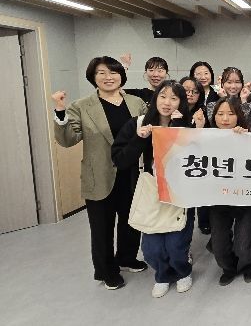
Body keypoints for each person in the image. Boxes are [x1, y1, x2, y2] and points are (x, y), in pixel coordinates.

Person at [51, 56, 147, 290]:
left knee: (131, 221)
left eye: (113, 72)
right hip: (99, 175)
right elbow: (68, 139)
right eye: (101, 73)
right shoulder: (82, 106)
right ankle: (106, 271)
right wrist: (60, 111)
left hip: (132, 173)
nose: (108, 77)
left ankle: (126, 258)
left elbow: (150, 132)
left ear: (121, 75)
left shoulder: (136, 103)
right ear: (93, 78)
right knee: (102, 227)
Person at [111, 80, 195, 298]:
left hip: (179, 194)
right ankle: (162, 275)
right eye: (163, 96)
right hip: (151, 192)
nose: (167, 103)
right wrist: (139, 139)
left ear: (181, 102)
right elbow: (120, 159)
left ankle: (182, 271)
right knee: (152, 248)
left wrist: (179, 128)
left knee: (177, 244)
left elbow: (196, 158)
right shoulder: (138, 124)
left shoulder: (188, 125)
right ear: (155, 98)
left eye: (174, 98)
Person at [207, 96, 251, 286]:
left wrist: (245, 139)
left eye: (230, 114)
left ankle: (249, 266)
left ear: (239, 116)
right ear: (214, 116)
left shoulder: (249, 135)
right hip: (218, 200)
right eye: (220, 114)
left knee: (243, 243)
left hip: (245, 198)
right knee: (219, 245)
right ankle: (228, 268)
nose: (225, 119)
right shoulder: (206, 138)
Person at [179, 76, 210, 235]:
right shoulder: (170, 110)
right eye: (186, 90)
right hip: (175, 165)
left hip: (197, 164)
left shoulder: (204, 113)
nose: (190, 94)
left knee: (193, 202)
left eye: (195, 92)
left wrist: (200, 127)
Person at [206, 67, 251, 132]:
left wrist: (243, 100)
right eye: (229, 82)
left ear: (242, 84)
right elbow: (214, 125)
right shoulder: (212, 105)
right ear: (222, 84)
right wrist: (225, 99)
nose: (233, 86)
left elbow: (247, 126)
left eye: (237, 82)